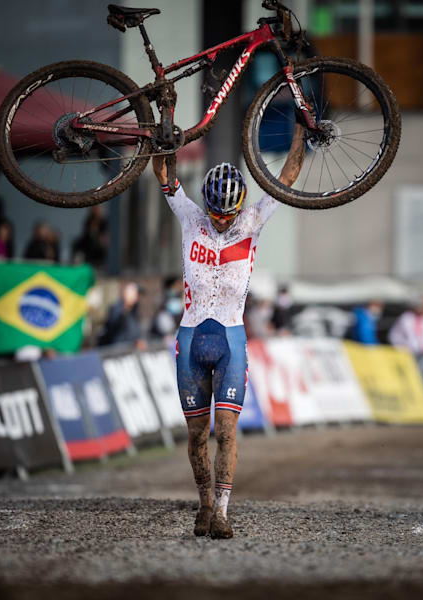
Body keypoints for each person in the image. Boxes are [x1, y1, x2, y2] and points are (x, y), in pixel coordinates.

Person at [152, 124, 305, 539]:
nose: (221, 220)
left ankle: (221, 511)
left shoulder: (252, 220)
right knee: (197, 434)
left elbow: (287, 178)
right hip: (190, 339)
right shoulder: (190, 218)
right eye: (216, 212)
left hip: (232, 341)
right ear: (206, 205)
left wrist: (300, 131)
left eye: (228, 213)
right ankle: (203, 504)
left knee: (227, 430)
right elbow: (164, 175)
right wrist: (162, 136)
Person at [97, 281, 147, 349]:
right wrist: (126, 305)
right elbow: (112, 326)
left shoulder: (134, 310)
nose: (137, 298)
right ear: (126, 294)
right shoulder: (116, 308)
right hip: (116, 351)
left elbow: (135, 330)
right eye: (136, 294)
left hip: (130, 350)